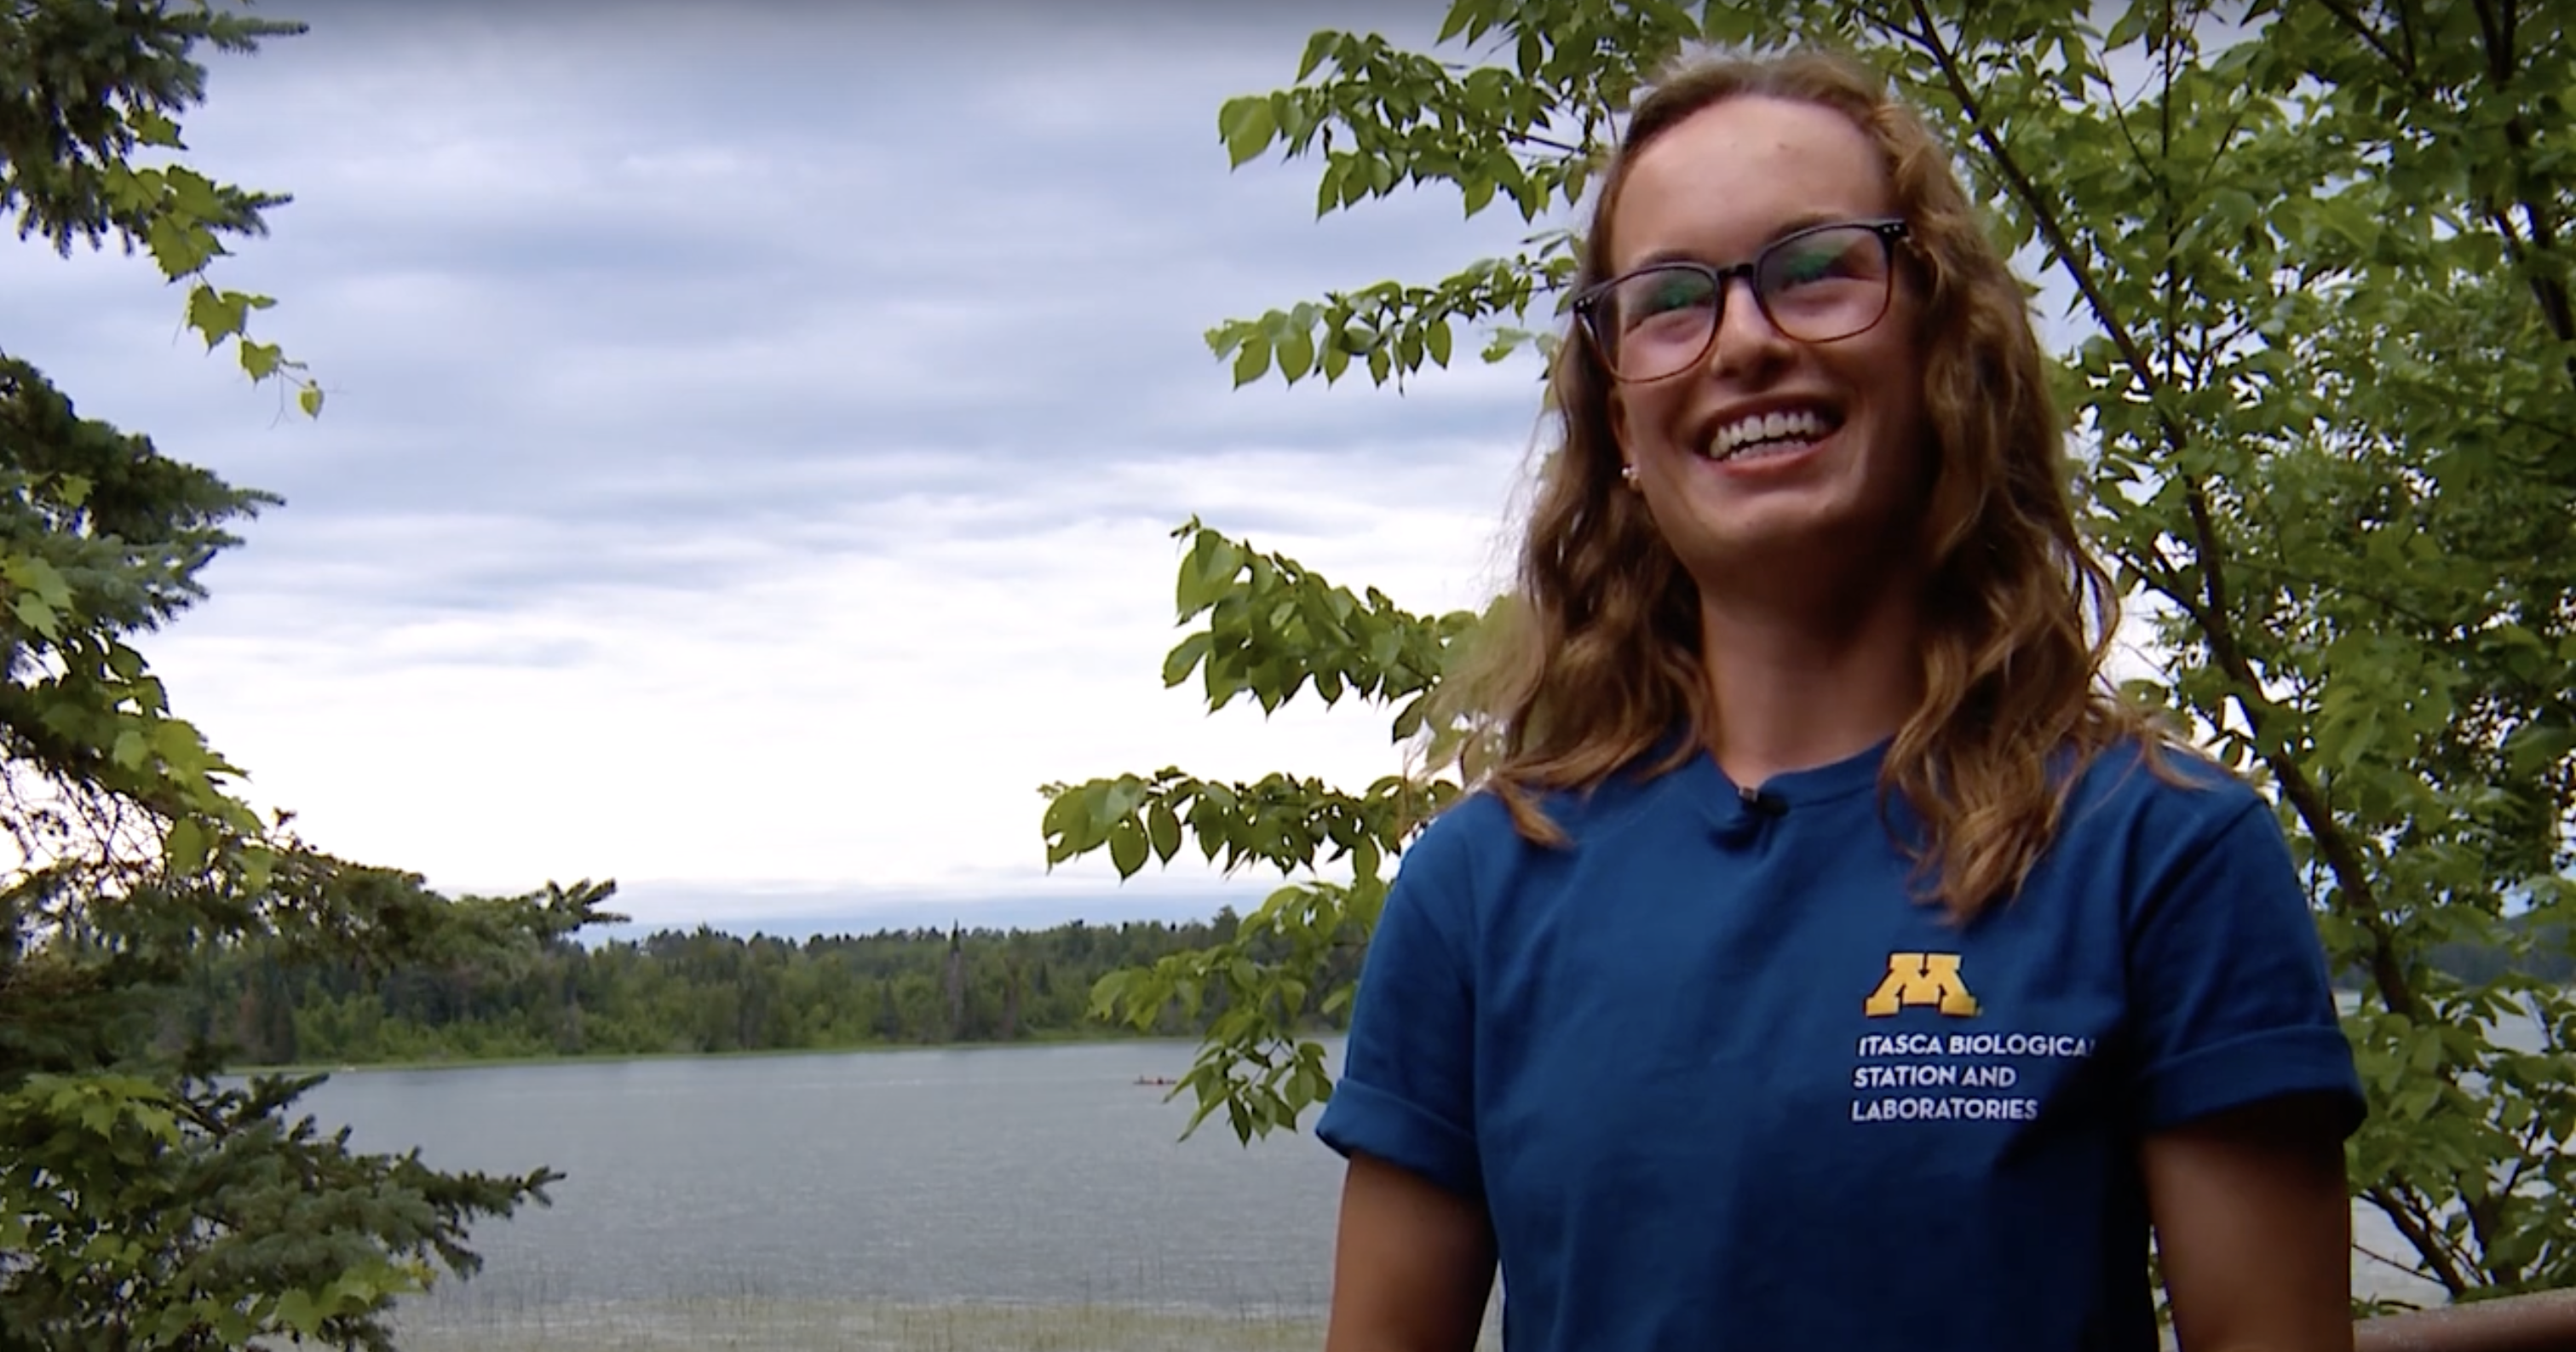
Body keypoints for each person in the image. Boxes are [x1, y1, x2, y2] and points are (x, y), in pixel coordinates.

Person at [1312, 47, 2366, 1352]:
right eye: (1672, 300)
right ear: (1622, 427)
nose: (1746, 340)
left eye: (1816, 271)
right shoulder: (1479, 891)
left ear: (1943, 348)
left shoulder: (2159, 855)